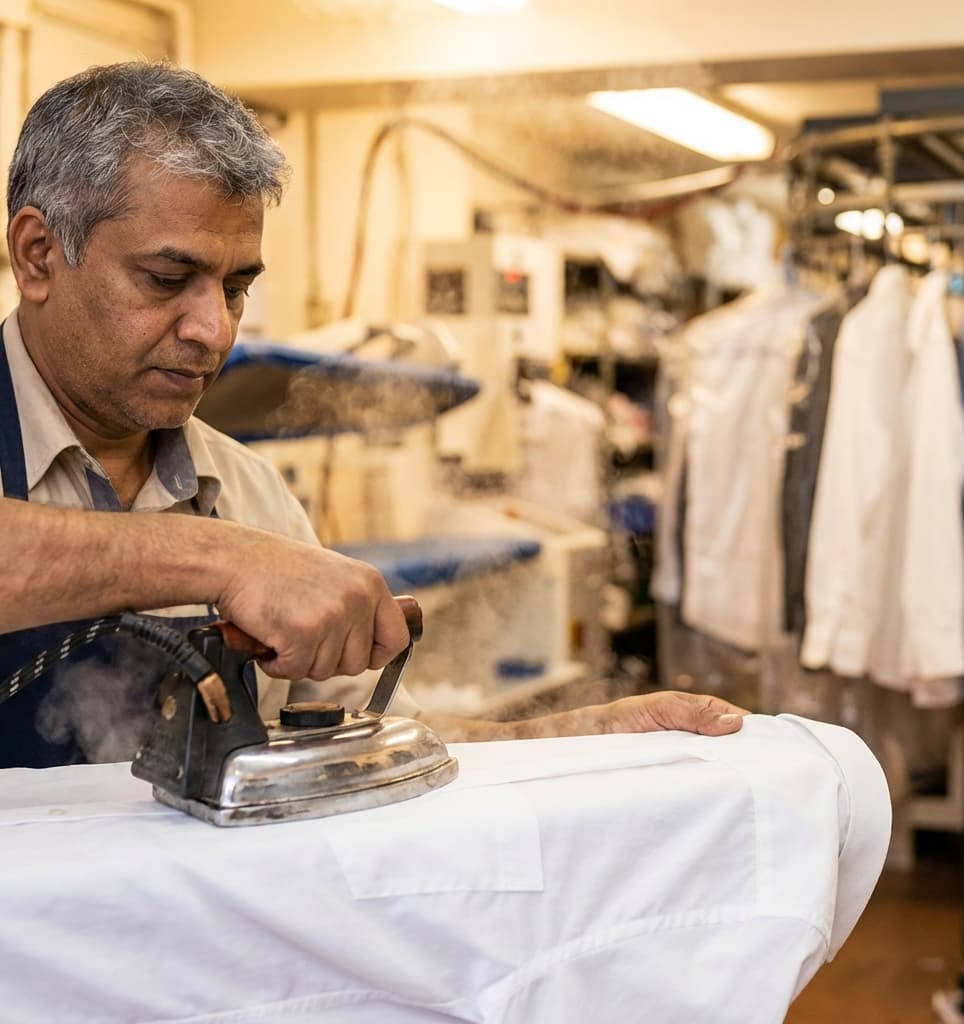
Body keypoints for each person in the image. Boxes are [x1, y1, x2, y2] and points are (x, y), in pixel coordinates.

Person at [0, 60, 747, 768]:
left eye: (234, 289)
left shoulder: (245, 493)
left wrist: (571, 740)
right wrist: (221, 558)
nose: (215, 331)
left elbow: (362, 740)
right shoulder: (239, 537)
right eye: (168, 279)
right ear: (37, 255)